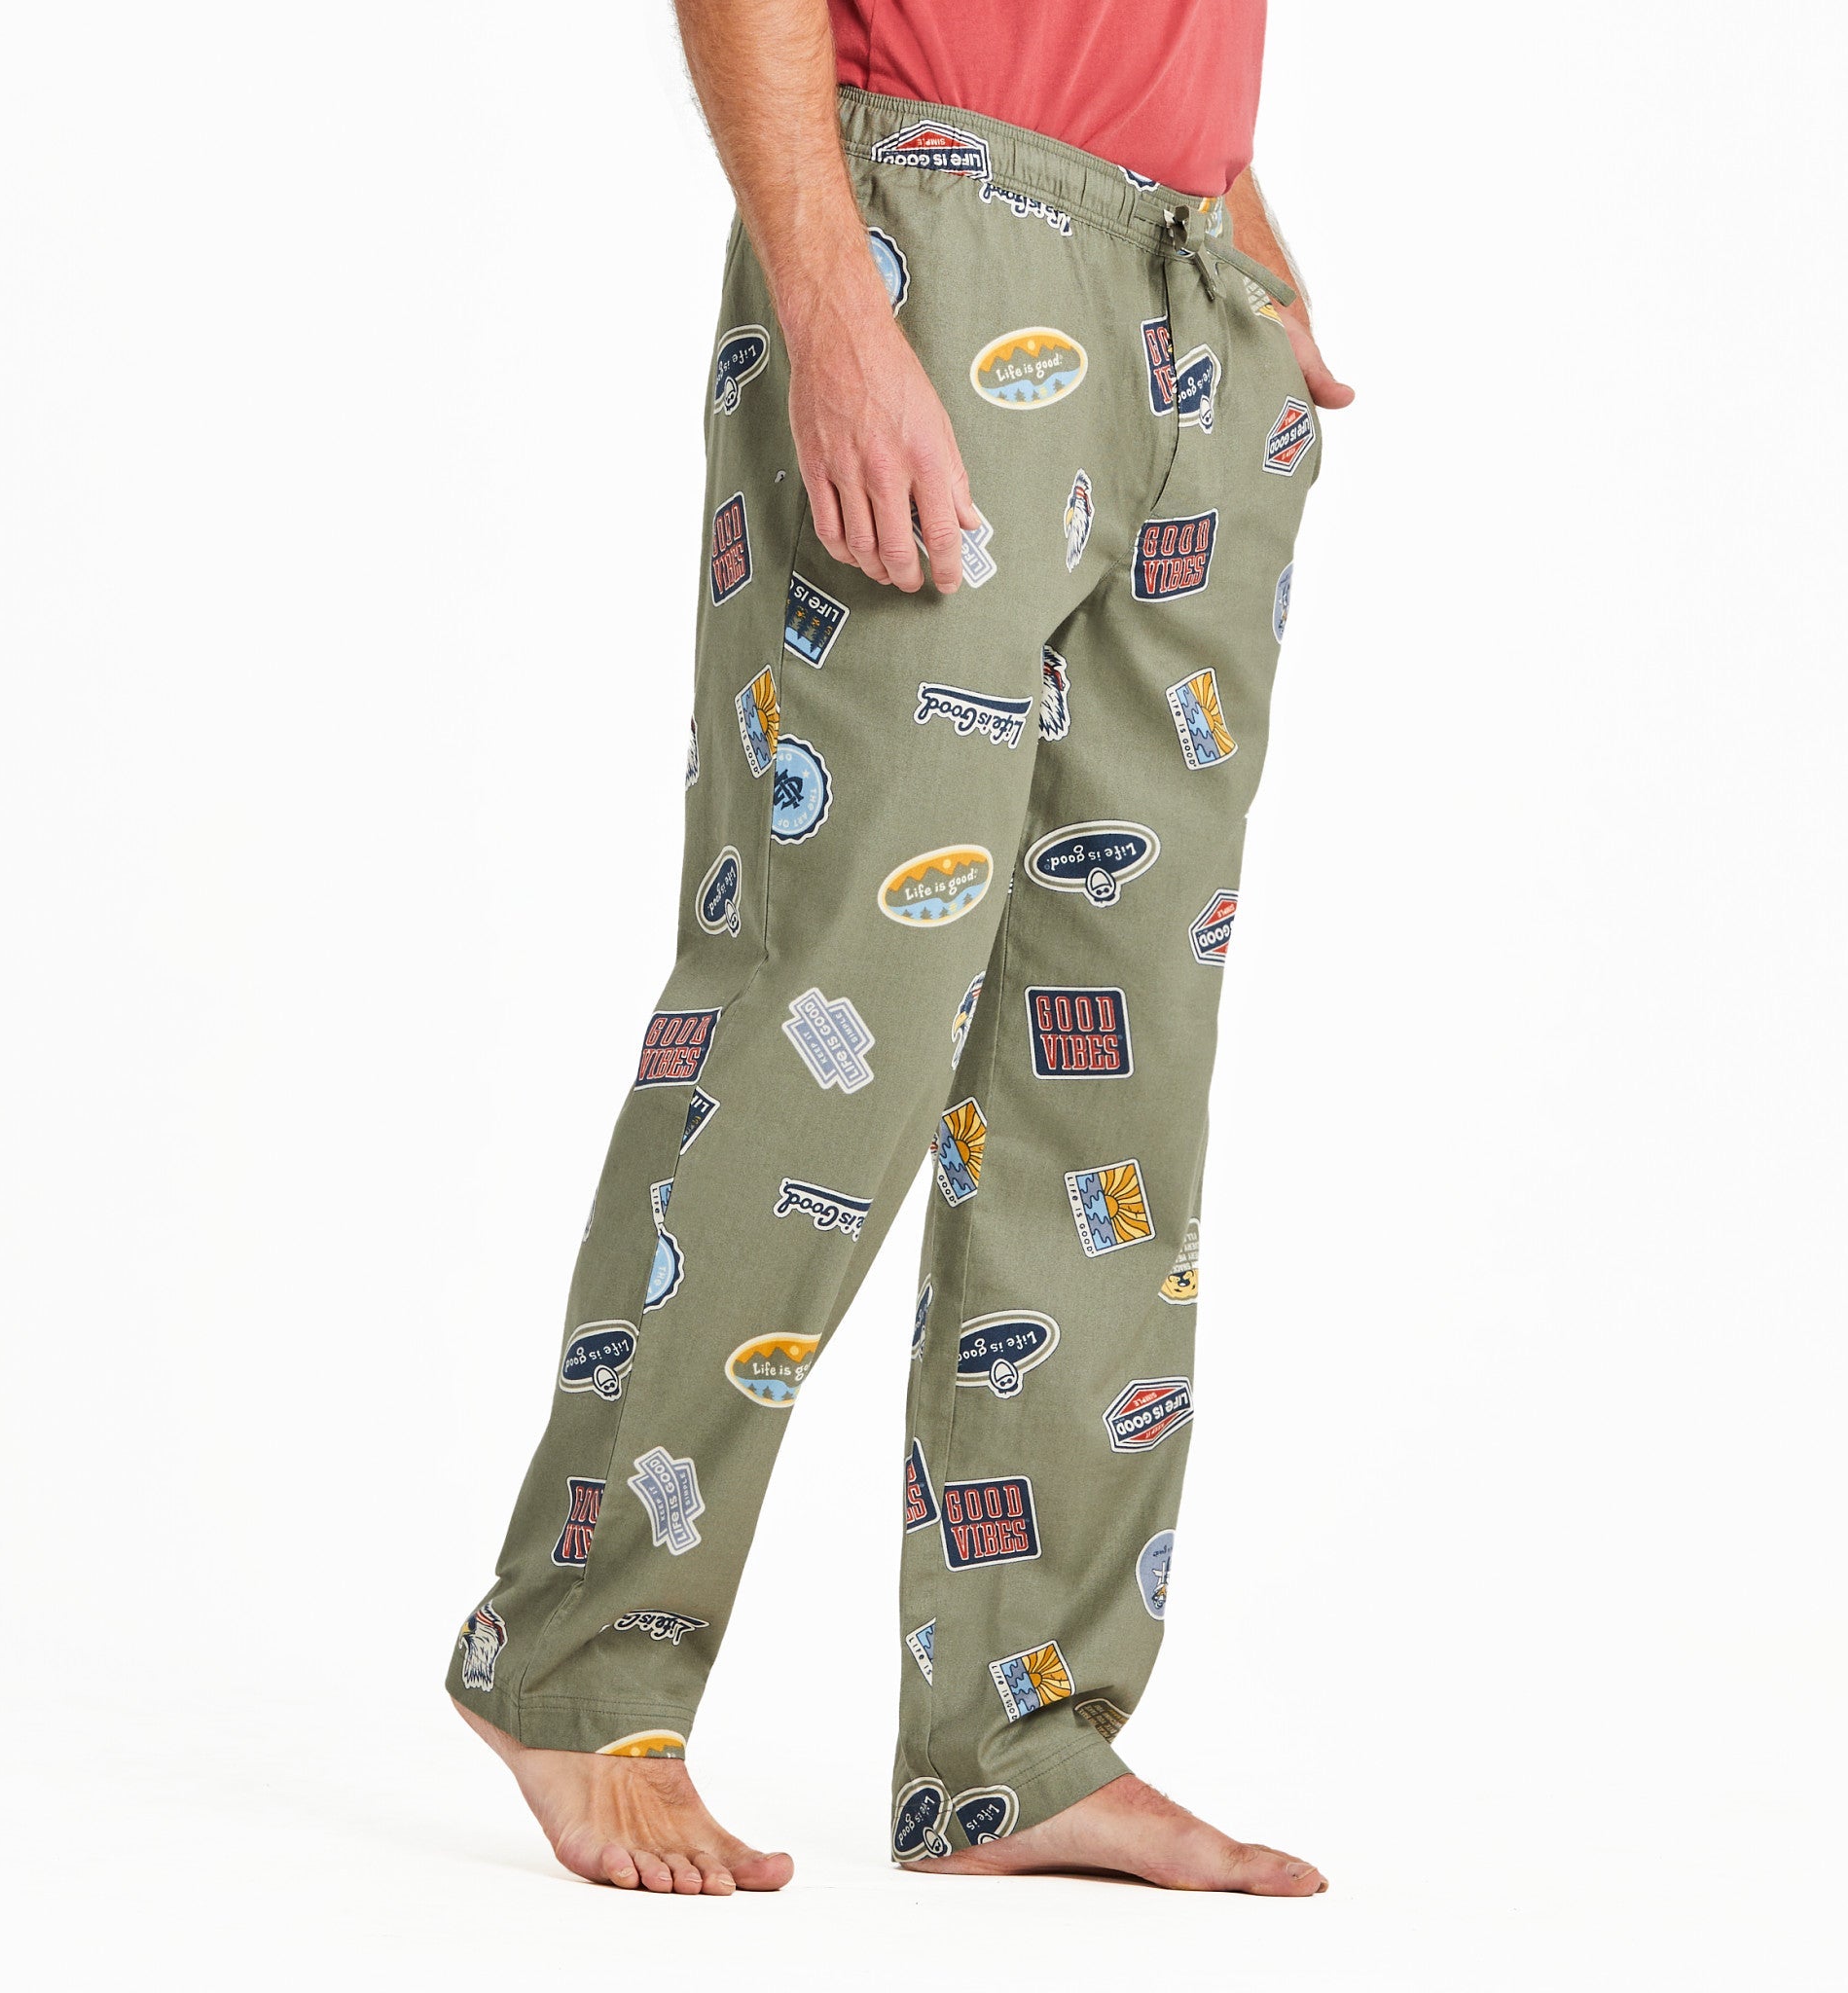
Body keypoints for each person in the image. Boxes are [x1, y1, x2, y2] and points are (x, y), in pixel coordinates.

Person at [447, 0, 1352, 1896]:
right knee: (827, 1005)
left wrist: (1239, 230)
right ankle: (577, 1659)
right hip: (941, 230)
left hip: (1193, 285)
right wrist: (831, 298)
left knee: (1110, 1064)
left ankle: (1019, 1741)